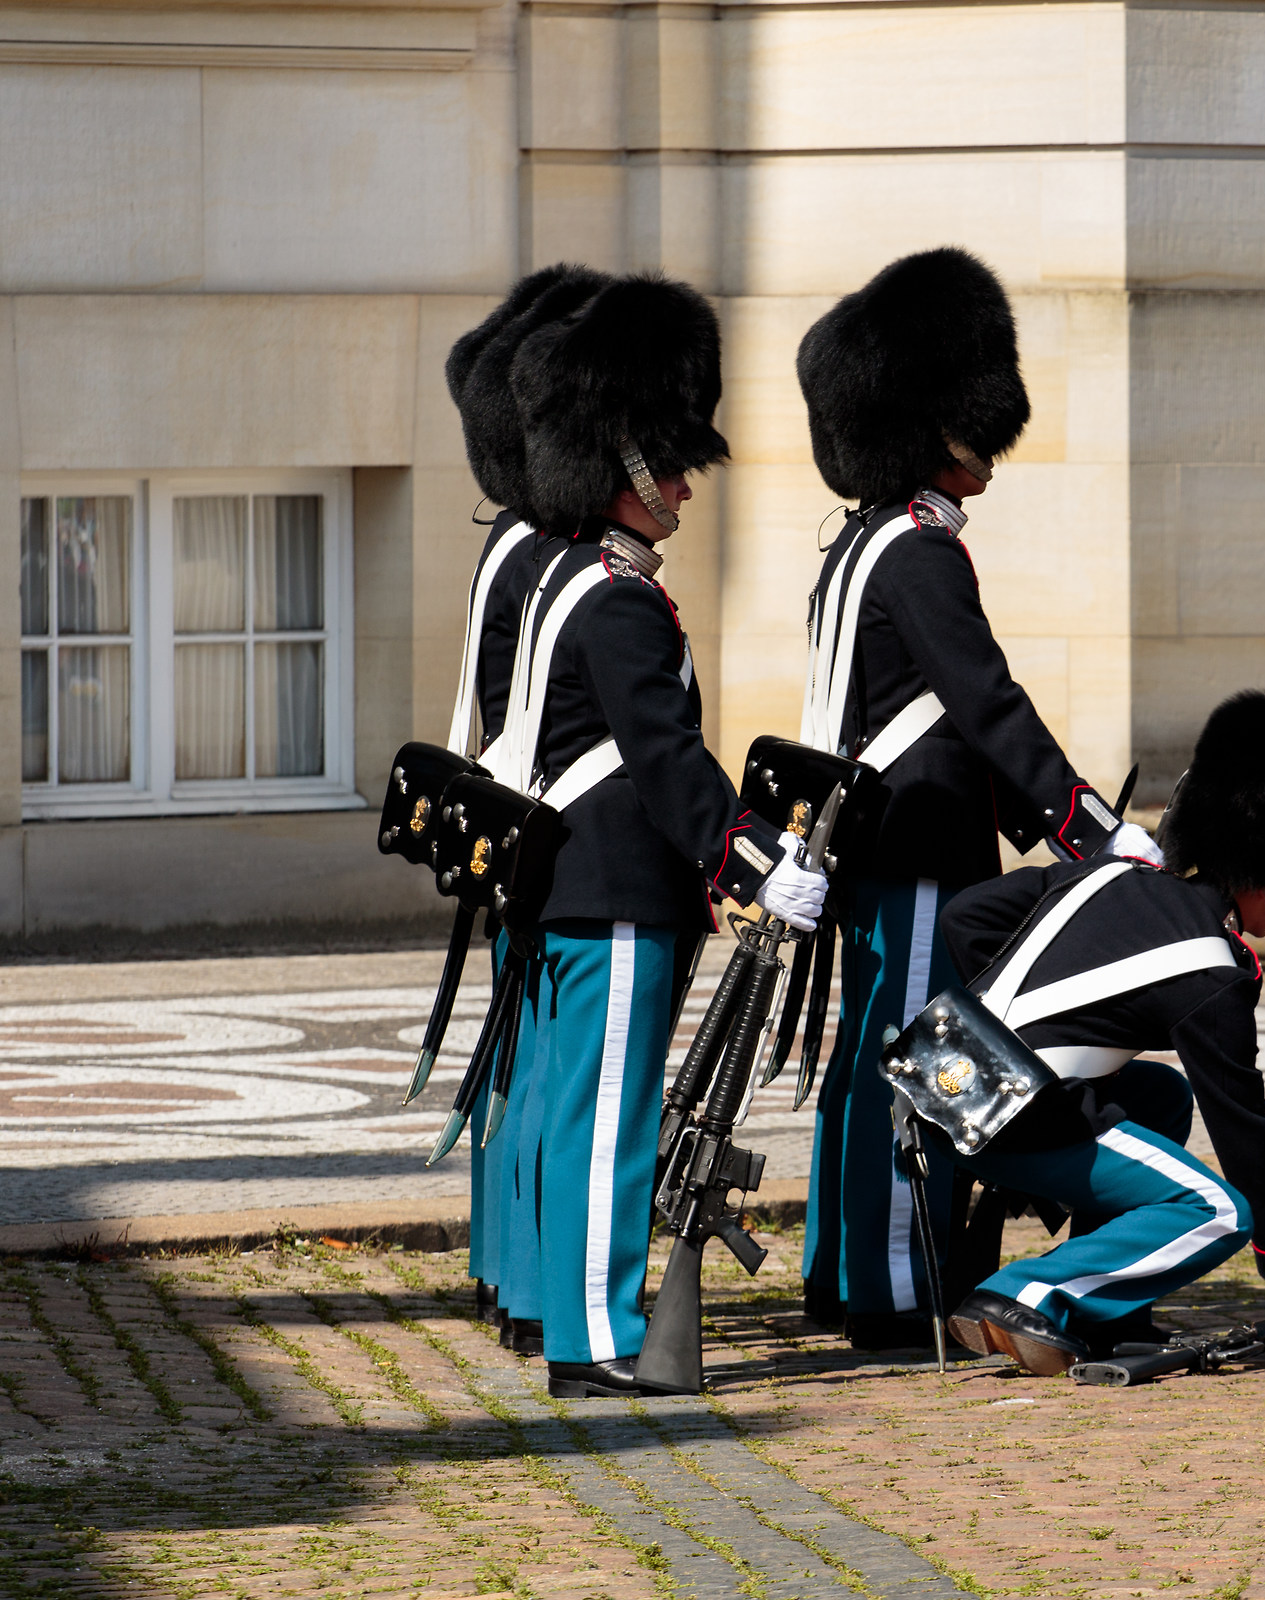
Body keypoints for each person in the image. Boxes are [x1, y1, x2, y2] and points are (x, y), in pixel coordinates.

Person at [792, 247, 1160, 1350]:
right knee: (918, 1069)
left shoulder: (868, 543)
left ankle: (844, 1271)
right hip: (916, 853)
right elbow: (989, 706)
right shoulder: (918, 554)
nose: (986, 450)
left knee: (868, 1065)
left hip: (891, 838)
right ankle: (894, 1291)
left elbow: (954, 716)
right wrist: (1091, 827)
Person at [489, 271, 830, 1398]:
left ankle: (560, 1307)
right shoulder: (618, 598)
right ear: (622, 461)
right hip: (617, 887)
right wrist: (754, 859)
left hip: (576, 881)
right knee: (612, 1128)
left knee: (576, 1106)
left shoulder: (566, 576)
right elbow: (665, 758)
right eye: (670, 462)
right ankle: (597, 1339)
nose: (685, 484)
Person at [926, 688, 1265, 1374]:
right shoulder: (1212, 968)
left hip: (939, 1080)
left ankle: (1113, 1309)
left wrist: (1014, 1029)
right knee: (1218, 1210)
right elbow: (1246, 1128)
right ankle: (1028, 1293)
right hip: (1014, 1111)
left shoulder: (1107, 879)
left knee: (1159, 1097)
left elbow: (968, 919)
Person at [436, 262, 607, 1355]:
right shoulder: (558, 561)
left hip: (525, 828)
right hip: (564, 839)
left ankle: (515, 1274)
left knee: (524, 1073)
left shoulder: (518, 544)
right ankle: (540, 1288)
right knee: (547, 1080)